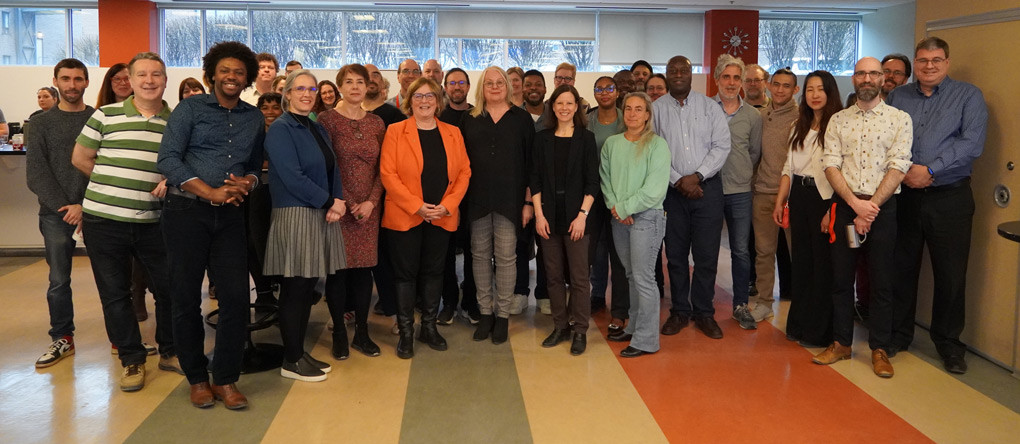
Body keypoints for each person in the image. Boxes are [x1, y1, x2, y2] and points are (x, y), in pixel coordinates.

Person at [157, 41, 264, 410]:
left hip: (232, 216)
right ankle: (197, 378)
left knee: (236, 297)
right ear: (212, 74)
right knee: (185, 297)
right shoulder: (190, 109)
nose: (232, 77)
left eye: (239, 72)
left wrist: (246, 183)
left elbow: (255, 166)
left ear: (247, 78)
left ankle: (226, 378)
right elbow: (168, 159)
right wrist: (209, 192)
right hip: (186, 212)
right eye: (225, 70)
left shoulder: (253, 118)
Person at [70, 52, 180, 392]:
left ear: (165, 80)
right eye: (142, 75)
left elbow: (181, 164)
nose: (149, 81)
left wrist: (171, 180)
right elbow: (81, 157)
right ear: (129, 81)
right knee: (115, 294)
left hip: (155, 221)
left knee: (170, 289)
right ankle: (132, 359)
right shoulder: (106, 115)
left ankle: (171, 350)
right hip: (104, 221)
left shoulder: (176, 121)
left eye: (156, 75)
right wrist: (113, 182)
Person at [888, 37, 987, 375]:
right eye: (922, 60)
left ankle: (948, 344)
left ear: (947, 62)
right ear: (914, 63)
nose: (929, 66)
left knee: (950, 274)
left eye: (936, 60)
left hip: (951, 197)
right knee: (901, 269)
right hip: (905, 197)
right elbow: (888, 138)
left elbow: (971, 143)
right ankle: (899, 335)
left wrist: (930, 169)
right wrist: (905, 173)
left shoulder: (968, 96)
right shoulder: (899, 96)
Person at [815, 57, 912, 379]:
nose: (866, 78)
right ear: (853, 79)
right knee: (841, 279)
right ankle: (842, 342)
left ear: (883, 78)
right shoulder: (839, 120)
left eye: (873, 73)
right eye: (861, 73)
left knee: (882, 282)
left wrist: (871, 207)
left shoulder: (900, 119)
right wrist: (855, 204)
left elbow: (899, 165)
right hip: (847, 204)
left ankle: (880, 349)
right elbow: (830, 164)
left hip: (882, 209)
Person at [262, 70, 345, 382]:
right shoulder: (281, 129)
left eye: (311, 89)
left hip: (320, 211)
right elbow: (292, 176)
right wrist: (328, 201)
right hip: (296, 213)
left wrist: (337, 199)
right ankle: (291, 358)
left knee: (308, 286)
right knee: (296, 288)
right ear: (288, 94)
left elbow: (332, 166)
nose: (307, 94)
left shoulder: (315, 126)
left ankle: (298, 352)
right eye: (300, 89)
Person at [380, 77, 471, 358]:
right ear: (409, 101)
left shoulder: (453, 132)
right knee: (405, 275)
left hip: (442, 215)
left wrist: (448, 205)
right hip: (406, 215)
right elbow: (388, 174)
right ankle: (406, 332)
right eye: (418, 96)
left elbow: (464, 172)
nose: (424, 101)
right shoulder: (396, 131)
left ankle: (429, 327)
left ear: (438, 100)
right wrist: (417, 206)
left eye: (430, 95)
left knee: (434, 272)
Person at [654, 55, 731, 340]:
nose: (677, 74)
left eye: (683, 70)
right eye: (672, 70)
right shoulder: (657, 109)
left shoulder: (710, 107)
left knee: (706, 256)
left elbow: (722, 146)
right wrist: (679, 181)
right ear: (666, 74)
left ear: (691, 74)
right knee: (675, 256)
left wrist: (696, 176)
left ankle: (704, 313)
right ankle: (679, 311)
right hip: (672, 193)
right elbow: (654, 150)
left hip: (707, 191)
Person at [26, 58, 93, 369]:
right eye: (65, 79)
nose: (71, 85)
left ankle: (122, 338)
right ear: (56, 81)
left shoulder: (99, 119)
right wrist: (67, 208)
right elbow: (37, 174)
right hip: (56, 213)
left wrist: (86, 204)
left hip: (96, 209)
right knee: (58, 279)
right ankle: (62, 337)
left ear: (87, 82)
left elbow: (105, 168)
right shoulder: (39, 123)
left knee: (113, 276)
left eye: (78, 79)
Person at [461, 66, 534, 343]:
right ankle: (485, 312)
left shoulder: (522, 119)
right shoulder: (470, 119)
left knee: (506, 258)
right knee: (479, 257)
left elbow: (531, 165)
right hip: (476, 200)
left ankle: (502, 315)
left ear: (508, 86)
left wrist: (528, 201)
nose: (494, 87)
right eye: (489, 83)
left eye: (499, 82)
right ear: (482, 87)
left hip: (510, 201)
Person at [318, 64, 386, 359]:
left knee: (363, 273)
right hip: (337, 207)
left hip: (368, 209)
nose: (356, 87)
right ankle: (339, 333)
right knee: (338, 272)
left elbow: (385, 168)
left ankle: (362, 332)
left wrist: (371, 201)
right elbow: (321, 165)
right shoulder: (326, 120)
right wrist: (339, 199)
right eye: (349, 82)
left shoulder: (377, 123)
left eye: (361, 82)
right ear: (340, 87)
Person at [773, 70, 842, 347]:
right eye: (810, 89)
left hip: (825, 199)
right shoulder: (798, 126)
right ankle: (799, 325)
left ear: (830, 92)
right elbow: (789, 167)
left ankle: (820, 331)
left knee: (822, 265)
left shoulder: (839, 125)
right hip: (799, 198)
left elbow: (842, 171)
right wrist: (781, 200)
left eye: (820, 89)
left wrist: (832, 208)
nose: (814, 95)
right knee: (801, 263)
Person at [602, 92, 670, 357]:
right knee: (630, 275)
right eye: (628, 108)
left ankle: (646, 340)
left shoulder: (657, 145)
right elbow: (605, 180)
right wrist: (616, 207)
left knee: (643, 278)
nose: (632, 113)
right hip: (619, 217)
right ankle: (634, 325)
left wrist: (625, 207)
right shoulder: (612, 143)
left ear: (647, 115)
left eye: (638, 109)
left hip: (647, 218)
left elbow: (655, 190)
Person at [533, 84, 599, 356]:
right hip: (548, 217)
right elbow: (534, 179)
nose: (564, 108)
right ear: (553, 106)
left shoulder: (586, 138)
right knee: (554, 276)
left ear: (577, 107)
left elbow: (592, 183)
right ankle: (561, 325)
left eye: (569, 103)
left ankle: (580, 329)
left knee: (580, 278)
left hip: (577, 218)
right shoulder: (542, 139)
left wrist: (582, 216)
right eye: (559, 103)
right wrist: (538, 214)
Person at [712, 54, 762, 330]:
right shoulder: (706, 109)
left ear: (742, 82)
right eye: (726, 77)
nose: (731, 83)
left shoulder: (753, 116)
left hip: (740, 190)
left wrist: (740, 172)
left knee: (741, 250)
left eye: (736, 78)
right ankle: (703, 303)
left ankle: (740, 305)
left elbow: (753, 152)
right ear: (717, 79)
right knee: (706, 248)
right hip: (709, 189)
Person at [750, 68, 800, 322]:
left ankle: (804, 304)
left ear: (795, 90)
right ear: (768, 86)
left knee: (799, 253)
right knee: (764, 252)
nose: (780, 90)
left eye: (786, 86)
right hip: (763, 194)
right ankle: (764, 302)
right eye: (776, 84)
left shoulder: (802, 117)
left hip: (793, 198)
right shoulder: (760, 116)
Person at [586, 76, 630, 335]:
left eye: (609, 88)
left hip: (621, 195)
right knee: (596, 251)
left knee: (620, 254)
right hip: (593, 194)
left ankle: (621, 310)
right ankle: (597, 296)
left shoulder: (628, 118)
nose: (604, 93)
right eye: (599, 89)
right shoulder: (587, 120)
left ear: (617, 93)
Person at [438, 67, 480, 325]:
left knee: (476, 251)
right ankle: (449, 302)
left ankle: (471, 302)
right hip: (443, 197)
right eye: (452, 82)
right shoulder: (438, 116)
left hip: (473, 195)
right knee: (445, 253)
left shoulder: (478, 115)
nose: (456, 87)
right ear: (445, 86)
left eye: (461, 82)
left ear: (468, 86)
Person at [847, 53, 912, 107]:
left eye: (897, 73)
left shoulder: (906, 110)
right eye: (886, 71)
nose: (890, 76)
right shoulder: (855, 101)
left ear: (905, 79)